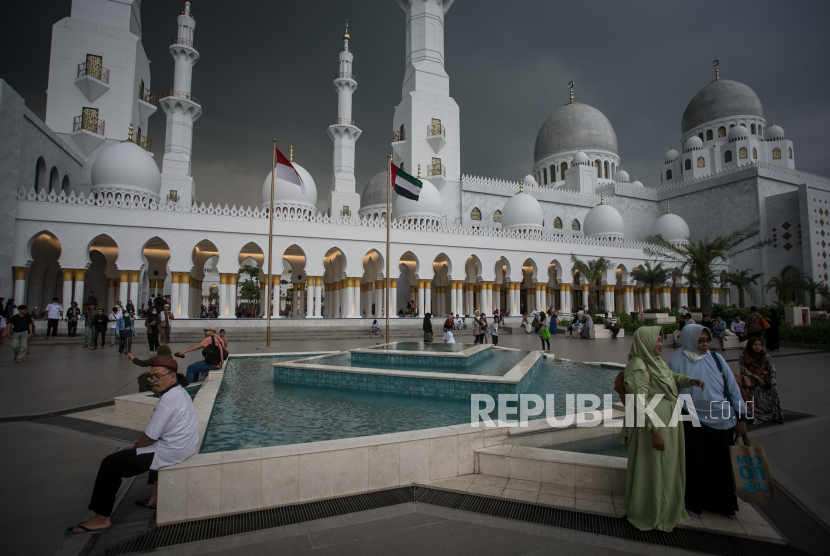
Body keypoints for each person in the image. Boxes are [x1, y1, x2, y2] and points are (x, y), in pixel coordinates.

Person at [65, 357, 198, 536]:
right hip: (184, 445)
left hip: (172, 450)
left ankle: (101, 518)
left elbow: (149, 437)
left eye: (158, 376)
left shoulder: (167, 402)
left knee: (110, 465)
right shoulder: (179, 392)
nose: (153, 381)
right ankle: (154, 500)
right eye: (151, 377)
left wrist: (134, 448)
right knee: (149, 449)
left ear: (172, 377)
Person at [620, 326, 705, 532]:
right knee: (654, 469)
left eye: (661, 339)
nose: (660, 344)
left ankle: (667, 508)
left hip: (669, 423)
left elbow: (670, 376)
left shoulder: (655, 362)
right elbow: (638, 402)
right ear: (645, 342)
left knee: (668, 467)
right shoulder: (638, 366)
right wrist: (653, 430)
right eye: (656, 340)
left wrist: (689, 380)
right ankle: (650, 510)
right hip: (653, 425)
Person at [671, 324, 746, 520]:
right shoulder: (677, 361)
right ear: (689, 340)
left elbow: (732, 389)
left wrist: (740, 417)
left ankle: (724, 505)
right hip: (691, 419)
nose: (705, 345)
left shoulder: (716, 359)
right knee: (695, 461)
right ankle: (695, 503)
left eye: (707, 340)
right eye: (700, 341)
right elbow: (670, 389)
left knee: (721, 463)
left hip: (721, 418)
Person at [739, 337, 784, 425]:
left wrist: (772, 381)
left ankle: (775, 415)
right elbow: (743, 370)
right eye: (755, 344)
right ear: (750, 345)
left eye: (760, 345)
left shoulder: (765, 356)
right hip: (752, 381)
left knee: (774, 390)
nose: (757, 347)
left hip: (765, 380)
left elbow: (772, 371)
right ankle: (758, 416)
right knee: (756, 390)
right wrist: (757, 379)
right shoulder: (744, 356)